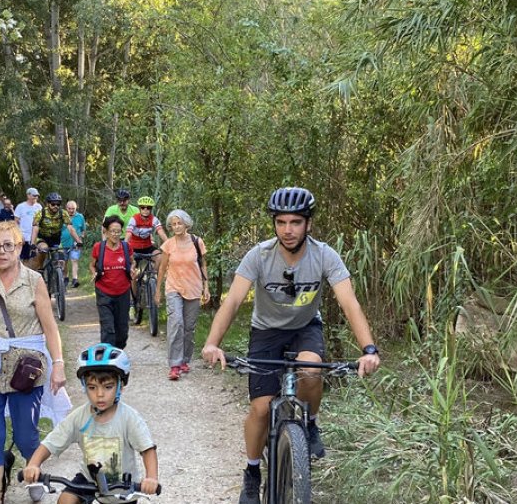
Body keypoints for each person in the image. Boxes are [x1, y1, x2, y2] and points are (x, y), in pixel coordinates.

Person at [201, 187, 382, 504]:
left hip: (305, 327)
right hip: (266, 331)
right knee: (260, 407)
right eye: (281, 222)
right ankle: (252, 472)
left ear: (308, 223)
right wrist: (212, 343)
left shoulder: (324, 255)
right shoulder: (259, 255)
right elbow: (231, 303)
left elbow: (350, 303)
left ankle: (309, 424)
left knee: (311, 369)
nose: (287, 230)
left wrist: (369, 349)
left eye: (296, 222)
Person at [0, 221, 72, 504]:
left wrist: (58, 363)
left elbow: (49, 327)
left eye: (8, 245)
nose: (1, 251)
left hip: (26, 368)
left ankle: (32, 469)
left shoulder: (34, 281)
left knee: (25, 434)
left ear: (20, 247)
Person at [21, 344, 159, 502]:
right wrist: (33, 464)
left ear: (121, 386)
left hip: (122, 487)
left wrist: (151, 478)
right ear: (84, 386)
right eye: (92, 387)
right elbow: (51, 442)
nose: (99, 394)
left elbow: (147, 449)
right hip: (88, 480)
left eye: (108, 387)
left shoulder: (129, 418)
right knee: (66, 500)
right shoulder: (80, 416)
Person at [156, 209, 210, 381]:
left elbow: (203, 265)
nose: (176, 227)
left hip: (193, 288)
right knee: (176, 323)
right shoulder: (168, 245)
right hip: (174, 288)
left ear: (186, 224)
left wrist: (206, 287)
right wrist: (158, 290)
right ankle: (174, 365)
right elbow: (162, 268)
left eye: (179, 223)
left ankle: (185, 360)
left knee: (188, 328)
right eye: (173, 224)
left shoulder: (197, 242)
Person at [90, 215, 133, 348]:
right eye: (112, 231)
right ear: (106, 232)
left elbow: (132, 262)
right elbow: (92, 264)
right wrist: (94, 272)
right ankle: (108, 358)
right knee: (108, 327)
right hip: (104, 291)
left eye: (118, 231)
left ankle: (118, 352)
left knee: (122, 331)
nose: (115, 234)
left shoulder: (126, 247)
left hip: (123, 291)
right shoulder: (99, 247)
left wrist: (133, 269)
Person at [31, 192, 82, 270]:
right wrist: (32, 243)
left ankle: (58, 277)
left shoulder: (63, 213)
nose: (56, 206)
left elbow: (71, 228)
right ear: (48, 204)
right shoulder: (41, 213)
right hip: (43, 238)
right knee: (43, 249)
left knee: (61, 261)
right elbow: (35, 229)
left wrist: (78, 241)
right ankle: (40, 268)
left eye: (58, 204)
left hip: (56, 239)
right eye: (53, 204)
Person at [125, 196, 167, 282]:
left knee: (160, 257)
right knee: (133, 276)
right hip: (134, 248)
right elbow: (128, 233)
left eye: (148, 208)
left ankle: (152, 276)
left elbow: (161, 232)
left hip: (147, 247)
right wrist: (124, 245)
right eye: (143, 207)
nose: (145, 210)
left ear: (151, 209)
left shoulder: (154, 219)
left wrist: (169, 243)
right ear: (139, 208)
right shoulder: (134, 219)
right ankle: (134, 295)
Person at [61, 200, 87, 287]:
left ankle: (75, 279)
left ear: (76, 208)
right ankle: (65, 278)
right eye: (69, 208)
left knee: (74, 260)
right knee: (64, 262)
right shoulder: (61, 216)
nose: (71, 210)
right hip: (63, 244)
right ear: (66, 208)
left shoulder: (80, 217)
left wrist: (80, 238)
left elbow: (83, 230)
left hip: (76, 243)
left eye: (73, 208)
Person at [14, 188, 42, 262]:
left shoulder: (39, 207)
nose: (35, 198)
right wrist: (19, 235)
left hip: (35, 237)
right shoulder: (21, 207)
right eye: (34, 195)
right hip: (24, 236)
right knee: (24, 258)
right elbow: (16, 222)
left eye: (36, 196)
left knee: (34, 258)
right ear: (28, 195)